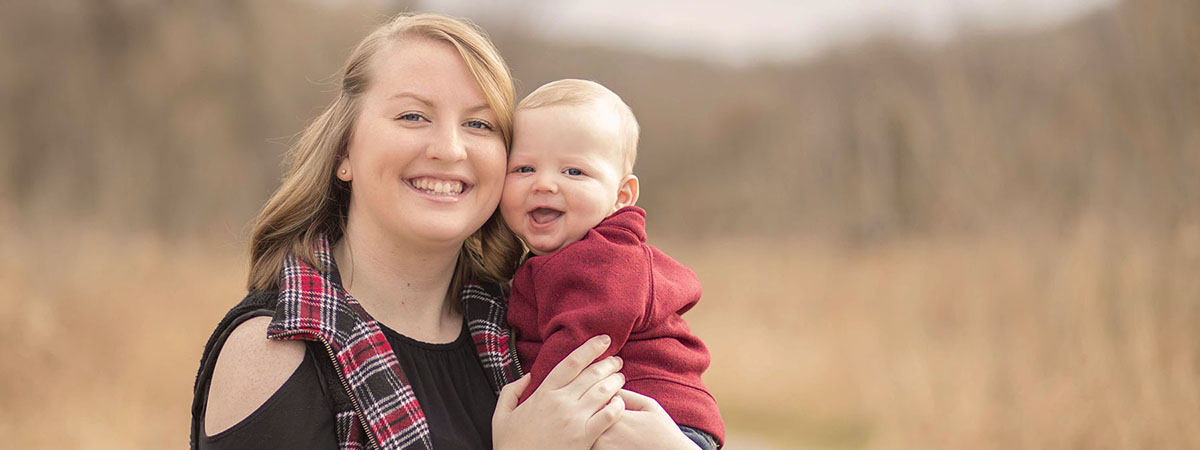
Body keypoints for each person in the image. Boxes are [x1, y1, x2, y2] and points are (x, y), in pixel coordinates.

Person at [189, 13, 710, 450]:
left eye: (479, 125)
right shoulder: (277, 349)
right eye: (414, 116)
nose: (450, 149)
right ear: (345, 151)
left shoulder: (515, 330)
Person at [499, 79, 724, 448]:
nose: (544, 184)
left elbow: (580, 345)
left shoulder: (608, 258)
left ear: (621, 196)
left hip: (663, 419)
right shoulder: (556, 257)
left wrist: (531, 413)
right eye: (524, 169)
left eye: (573, 172)